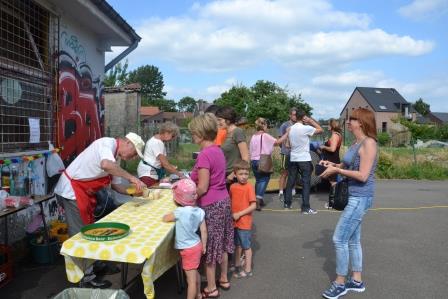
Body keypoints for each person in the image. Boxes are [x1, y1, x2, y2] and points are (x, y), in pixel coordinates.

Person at [54, 132, 147, 287]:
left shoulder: (115, 159)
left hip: (84, 194)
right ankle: (85, 278)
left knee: (90, 230)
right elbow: (106, 165)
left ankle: (95, 264)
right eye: (134, 153)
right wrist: (132, 177)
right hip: (71, 192)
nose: (133, 157)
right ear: (128, 143)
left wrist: (134, 192)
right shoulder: (107, 144)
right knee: (80, 235)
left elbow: (117, 186)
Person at [319, 108, 378, 299]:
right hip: (354, 196)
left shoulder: (369, 143)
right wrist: (332, 166)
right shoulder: (356, 143)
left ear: (361, 122)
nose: (348, 122)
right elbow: (345, 165)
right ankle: (357, 280)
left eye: (351, 119)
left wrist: (339, 173)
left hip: (360, 197)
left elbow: (362, 175)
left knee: (339, 239)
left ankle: (340, 283)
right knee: (352, 240)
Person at [188, 113, 234, 298]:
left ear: (200, 133)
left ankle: (211, 288)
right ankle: (223, 278)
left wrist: (186, 197)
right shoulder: (217, 150)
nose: (192, 136)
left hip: (211, 204)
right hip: (223, 200)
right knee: (222, 244)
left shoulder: (204, 155)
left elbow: (203, 187)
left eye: (193, 133)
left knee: (211, 247)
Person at [163, 179, 207, 299]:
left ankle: (193, 295)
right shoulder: (200, 211)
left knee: (190, 280)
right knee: (194, 271)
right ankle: (198, 294)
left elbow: (166, 218)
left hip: (188, 250)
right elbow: (203, 230)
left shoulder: (180, 212)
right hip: (197, 245)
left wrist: (165, 215)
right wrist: (204, 245)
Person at [278, 110, 323, 213]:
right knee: (306, 183)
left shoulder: (290, 129)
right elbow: (320, 130)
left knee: (291, 181)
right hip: (304, 158)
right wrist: (311, 121)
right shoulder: (306, 128)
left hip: (293, 158)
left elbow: (288, 145)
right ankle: (305, 207)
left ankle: (287, 203)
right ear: (303, 118)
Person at [229, 160, 256, 278]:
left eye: (246, 174)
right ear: (235, 174)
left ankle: (248, 269)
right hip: (234, 222)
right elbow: (231, 202)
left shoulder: (249, 187)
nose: (244, 176)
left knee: (246, 246)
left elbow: (253, 205)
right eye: (241, 174)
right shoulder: (232, 187)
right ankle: (237, 264)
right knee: (237, 245)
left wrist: (239, 214)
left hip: (244, 223)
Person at [137, 122, 185, 187]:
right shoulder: (157, 143)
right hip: (148, 173)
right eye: (172, 136)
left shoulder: (156, 140)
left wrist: (171, 166)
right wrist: (181, 175)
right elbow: (165, 164)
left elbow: (161, 162)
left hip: (149, 171)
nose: (172, 139)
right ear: (166, 132)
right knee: (150, 193)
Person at [215, 107, 249, 188]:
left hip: (233, 177)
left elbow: (245, 158)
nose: (217, 122)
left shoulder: (238, 132)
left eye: (219, 120)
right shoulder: (225, 133)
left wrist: (232, 175)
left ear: (228, 120)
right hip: (224, 175)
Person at [249, 117, 277, 210]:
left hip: (253, 160)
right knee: (264, 179)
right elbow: (277, 142)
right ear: (264, 125)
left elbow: (251, 149)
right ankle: (258, 199)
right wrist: (287, 134)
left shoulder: (253, 136)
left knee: (258, 180)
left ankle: (257, 199)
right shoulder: (265, 135)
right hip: (262, 160)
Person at [319, 119, 342, 209]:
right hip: (331, 160)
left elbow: (332, 149)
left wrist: (324, 146)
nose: (327, 126)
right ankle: (333, 202)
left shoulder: (335, 135)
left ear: (332, 126)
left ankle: (332, 203)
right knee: (332, 180)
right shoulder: (335, 135)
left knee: (333, 181)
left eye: (328, 124)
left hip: (333, 160)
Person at [278, 108, 298, 200]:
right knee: (284, 173)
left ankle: (293, 190)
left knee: (294, 172)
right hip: (286, 153)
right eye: (294, 114)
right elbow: (279, 140)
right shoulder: (284, 125)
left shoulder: (299, 125)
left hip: (296, 153)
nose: (295, 116)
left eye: (296, 114)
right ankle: (281, 192)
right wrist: (284, 149)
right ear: (290, 115)